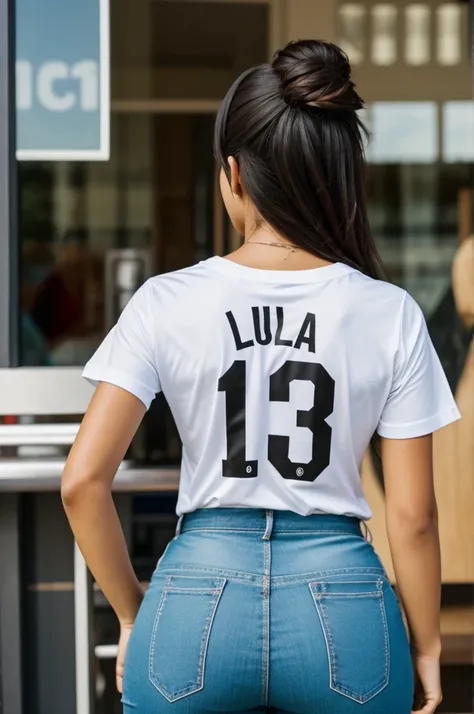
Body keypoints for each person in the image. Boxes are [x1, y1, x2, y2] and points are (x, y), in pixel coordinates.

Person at [62, 40, 461, 714]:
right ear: (334, 175)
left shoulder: (166, 299)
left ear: (233, 174)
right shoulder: (389, 312)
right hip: (345, 608)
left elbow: (82, 483)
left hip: (195, 602)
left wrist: (138, 616)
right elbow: (413, 518)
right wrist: (425, 647)